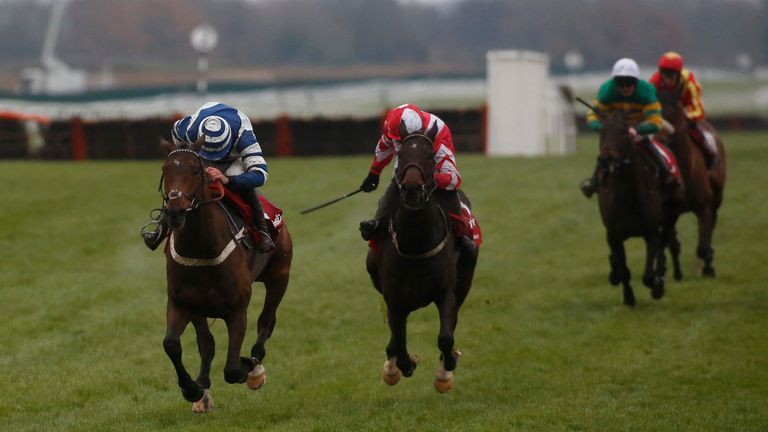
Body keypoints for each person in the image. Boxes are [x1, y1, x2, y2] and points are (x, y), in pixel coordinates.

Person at [141, 101, 275, 253]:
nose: (214, 159)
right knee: (179, 177)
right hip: (199, 153)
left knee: (242, 180)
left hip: (232, 158)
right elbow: (179, 154)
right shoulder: (185, 129)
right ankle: (160, 226)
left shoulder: (244, 136)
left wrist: (227, 180)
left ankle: (262, 230)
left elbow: (260, 175)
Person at [358, 103, 473, 249]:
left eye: (399, 141)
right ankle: (377, 223)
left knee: (449, 190)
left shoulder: (439, 132)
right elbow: (384, 147)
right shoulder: (391, 126)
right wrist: (374, 174)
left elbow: (454, 180)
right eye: (397, 140)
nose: (396, 142)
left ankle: (461, 235)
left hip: (434, 164)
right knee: (399, 182)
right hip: (408, 160)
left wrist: (432, 179)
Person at [579, 58, 679, 198]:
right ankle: (594, 182)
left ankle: (666, 174)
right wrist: (602, 128)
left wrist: (638, 130)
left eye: (629, 83)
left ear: (636, 82)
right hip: (618, 129)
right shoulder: (607, 91)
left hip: (640, 126)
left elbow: (656, 122)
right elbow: (592, 116)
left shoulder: (646, 91)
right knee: (606, 152)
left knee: (646, 144)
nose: (625, 88)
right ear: (615, 82)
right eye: (621, 83)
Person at [649, 51, 718, 169]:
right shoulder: (654, 82)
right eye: (665, 75)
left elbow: (699, 111)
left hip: (685, 111)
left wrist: (685, 116)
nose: (667, 80)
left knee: (694, 131)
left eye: (671, 75)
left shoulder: (689, 83)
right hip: (664, 113)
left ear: (679, 74)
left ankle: (709, 153)